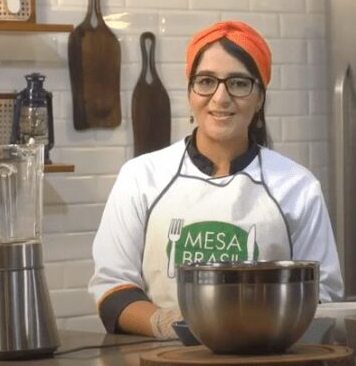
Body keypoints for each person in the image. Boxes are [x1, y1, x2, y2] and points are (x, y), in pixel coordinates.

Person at [88, 20, 343, 339]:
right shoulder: (141, 178)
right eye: (206, 81)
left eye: (238, 83)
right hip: (160, 358)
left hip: (264, 358)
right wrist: (169, 325)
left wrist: (251, 329)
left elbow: (323, 295)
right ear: (190, 93)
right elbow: (113, 291)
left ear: (260, 98)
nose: (220, 98)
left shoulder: (297, 187)